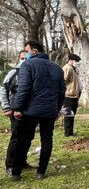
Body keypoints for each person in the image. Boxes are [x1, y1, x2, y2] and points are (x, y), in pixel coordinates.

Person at [10, 41, 65, 180]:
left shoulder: (27, 65)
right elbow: (61, 92)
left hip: (31, 110)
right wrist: (57, 109)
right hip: (49, 111)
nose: (26, 53)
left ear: (34, 51)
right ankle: (41, 171)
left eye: (27, 50)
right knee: (47, 139)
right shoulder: (57, 68)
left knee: (23, 139)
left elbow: (24, 89)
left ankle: (16, 172)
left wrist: (17, 107)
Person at [1, 51, 33, 175]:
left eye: (27, 58)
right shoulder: (14, 72)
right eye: (22, 58)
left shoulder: (33, 72)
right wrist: (6, 108)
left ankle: (22, 161)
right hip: (16, 110)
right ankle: (10, 165)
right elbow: (3, 89)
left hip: (30, 111)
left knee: (28, 137)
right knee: (16, 138)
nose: (25, 60)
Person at [62, 53, 82, 137]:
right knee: (68, 115)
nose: (77, 62)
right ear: (70, 60)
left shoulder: (74, 69)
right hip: (68, 96)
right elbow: (63, 81)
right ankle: (68, 133)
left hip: (75, 96)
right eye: (76, 61)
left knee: (72, 115)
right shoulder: (67, 68)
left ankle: (70, 131)